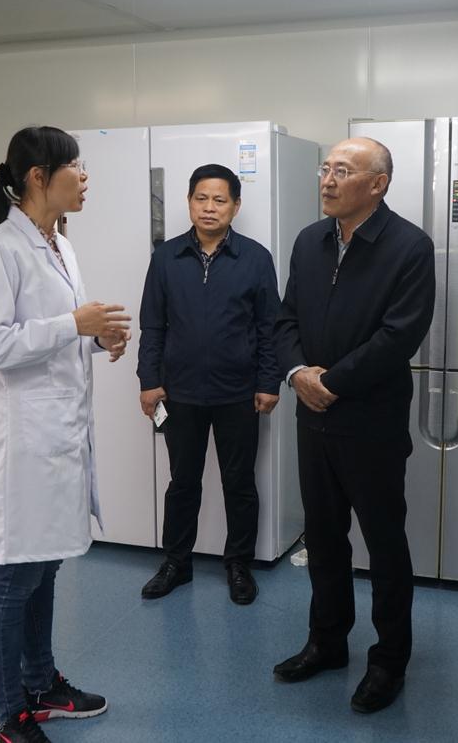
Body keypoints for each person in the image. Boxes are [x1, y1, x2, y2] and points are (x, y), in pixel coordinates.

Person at [0, 125, 131, 743]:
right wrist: (72, 325)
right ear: (38, 177)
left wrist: (96, 335)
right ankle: (8, 715)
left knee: (46, 567)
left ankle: (40, 683)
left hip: (57, 436)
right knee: (15, 577)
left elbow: (57, 328)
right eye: (75, 167)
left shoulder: (59, 244)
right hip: (24, 444)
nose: (85, 178)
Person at [272, 137, 436, 714]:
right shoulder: (309, 241)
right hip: (312, 419)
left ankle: (389, 659)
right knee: (322, 538)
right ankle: (327, 641)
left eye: (342, 171)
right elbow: (285, 318)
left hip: (371, 423)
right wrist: (298, 374)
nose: (327, 180)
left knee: (385, 544)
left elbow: (399, 336)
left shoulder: (409, 246)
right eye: (326, 169)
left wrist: (332, 383)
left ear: (378, 183)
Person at [137, 164, 282, 605]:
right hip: (179, 393)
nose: (209, 207)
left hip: (239, 392)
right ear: (188, 202)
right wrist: (149, 381)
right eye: (201, 198)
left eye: (220, 200)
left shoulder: (255, 258)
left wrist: (269, 381)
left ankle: (238, 564)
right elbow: (152, 326)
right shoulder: (166, 258)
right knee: (182, 482)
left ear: (235, 206)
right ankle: (176, 563)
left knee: (239, 482)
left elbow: (269, 328)